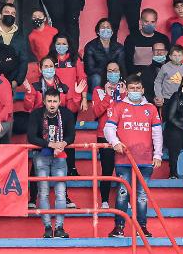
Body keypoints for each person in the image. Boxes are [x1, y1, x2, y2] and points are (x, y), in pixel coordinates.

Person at [104, 75, 161, 238]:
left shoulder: (151, 108)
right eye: (132, 88)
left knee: (142, 196)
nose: (135, 91)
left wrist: (157, 154)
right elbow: (108, 129)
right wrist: (115, 142)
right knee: (122, 193)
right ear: (127, 90)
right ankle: (119, 228)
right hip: (124, 160)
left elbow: (157, 133)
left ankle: (141, 228)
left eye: (138, 88)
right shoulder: (119, 106)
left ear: (142, 90)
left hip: (145, 160)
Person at [27, 90, 76, 239]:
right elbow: (31, 137)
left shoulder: (66, 114)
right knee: (43, 192)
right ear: (44, 102)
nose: (52, 104)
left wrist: (63, 143)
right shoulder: (36, 114)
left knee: (61, 193)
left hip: (60, 156)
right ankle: (48, 227)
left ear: (59, 102)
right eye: (49, 101)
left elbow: (71, 135)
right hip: (41, 156)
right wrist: (50, 144)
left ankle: (59, 228)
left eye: (55, 101)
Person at [83, 18, 125, 90]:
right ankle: (96, 99)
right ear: (98, 32)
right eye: (103, 28)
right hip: (97, 76)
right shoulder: (90, 46)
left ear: (112, 32)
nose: (106, 30)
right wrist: (108, 72)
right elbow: (89, 69)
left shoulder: (119, 47)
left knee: (119, 77)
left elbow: (122, 67)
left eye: (108, 28)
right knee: (96, 78)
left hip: (113, 76)